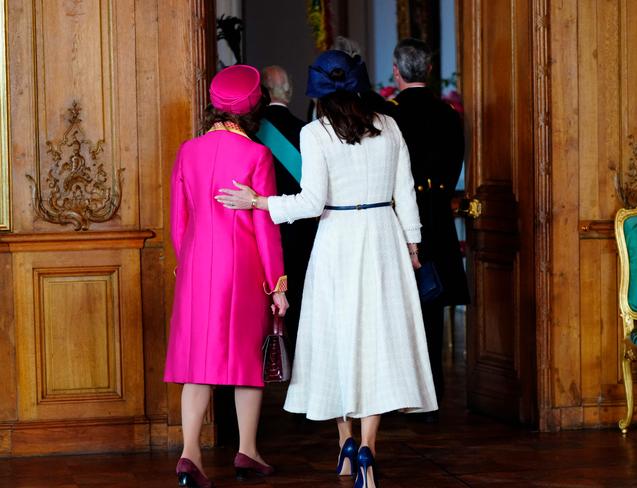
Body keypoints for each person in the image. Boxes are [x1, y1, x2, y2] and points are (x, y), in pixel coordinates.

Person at [216, 50, 437, 488]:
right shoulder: (389, 126)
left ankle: (344, 445)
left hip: (337, 239)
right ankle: (367, 450)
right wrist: (413, 244)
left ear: (318, 92)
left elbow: (311, 203)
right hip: (383, 238)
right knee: (378, 343)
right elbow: (406, 194)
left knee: (339, 341)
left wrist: (258, 202)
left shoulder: (316, 133)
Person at [164, 65, 289, 488]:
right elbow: (264, 226)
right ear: (253, 108)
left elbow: (178, 222)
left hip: (197, 266)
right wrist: (277, 284)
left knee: (198, 362)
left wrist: (190, 263)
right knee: (245, 361)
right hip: (243, 265)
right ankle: (247, 451)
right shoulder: (257, 155)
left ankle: (189, 455)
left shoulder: (188, 150)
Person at [391, 38, 470, 407]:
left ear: (396, 71)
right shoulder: (449, 114)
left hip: (397, 219)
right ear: (429, 70)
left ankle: (399, 393)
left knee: (395, 309)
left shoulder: (389, 115)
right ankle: (431, 395)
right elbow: (454, 168)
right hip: (436, 215)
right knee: (432, 307)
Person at [259, 65, 318, 360]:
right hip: (301, 229)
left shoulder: (252, 132)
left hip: (263, 225)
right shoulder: (307, 131)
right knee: (299, 298)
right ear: (289, 92)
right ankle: (298, 361)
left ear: (263, 92)